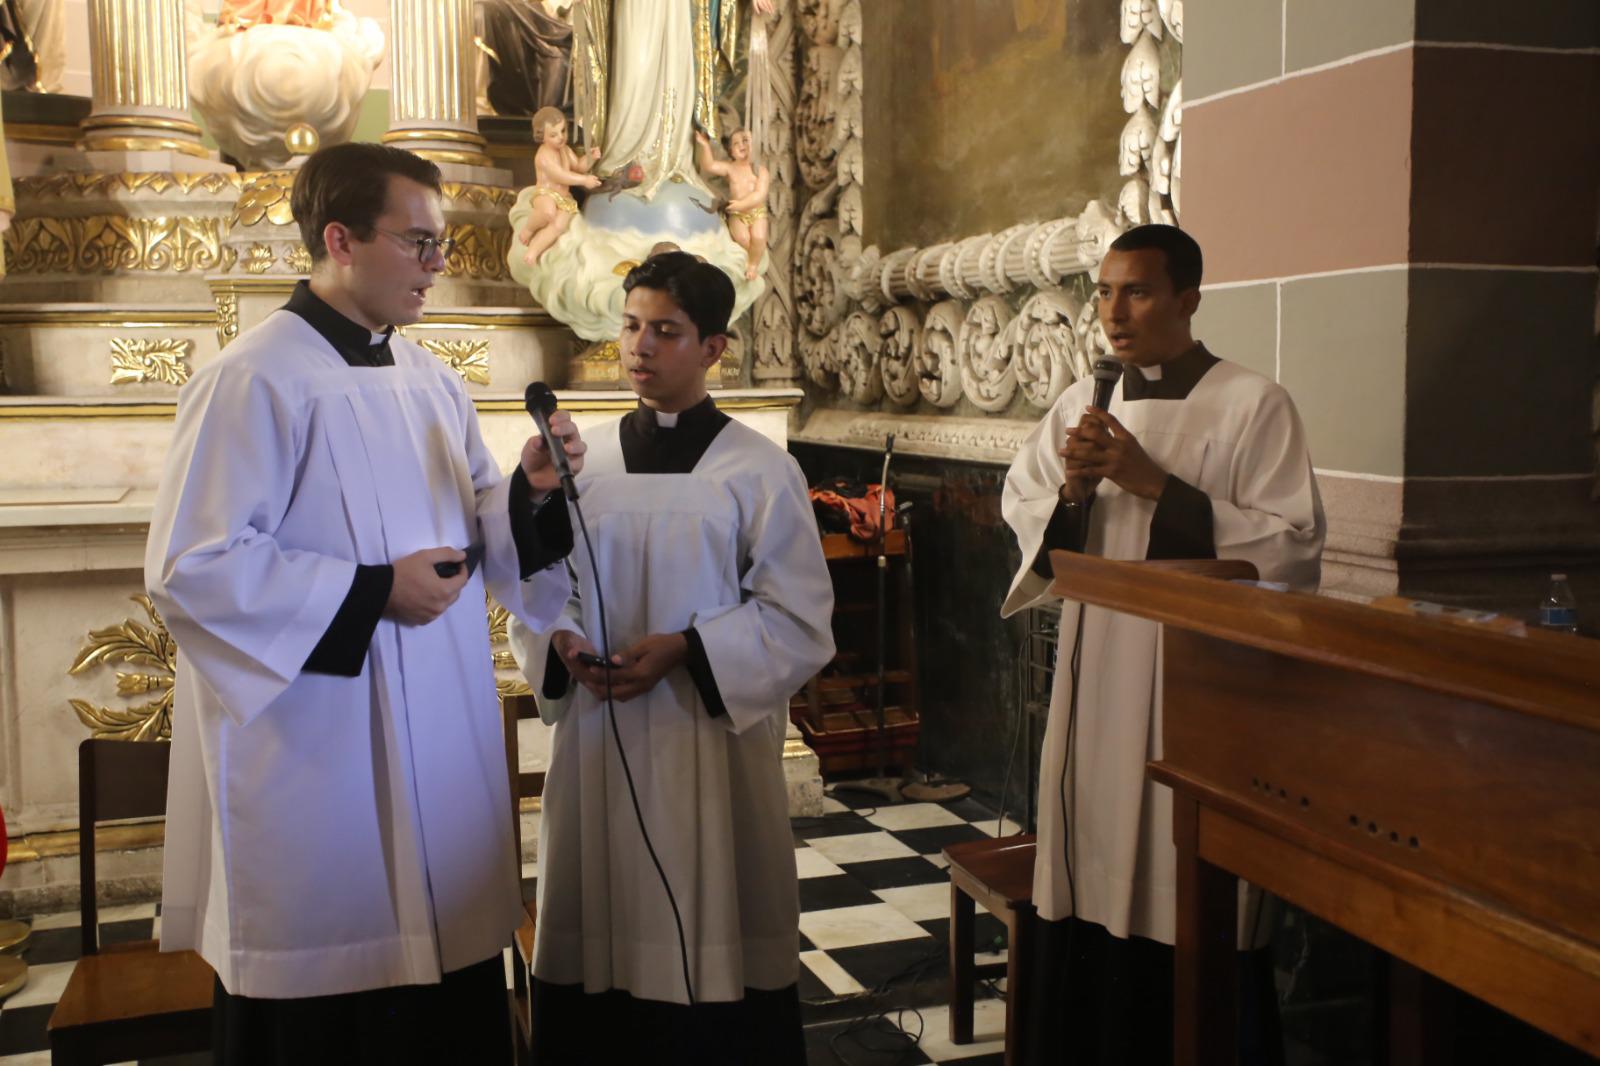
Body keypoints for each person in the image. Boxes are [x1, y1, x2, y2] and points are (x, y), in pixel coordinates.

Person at [146, 142, 585, 1066]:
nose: (437, 266)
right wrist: (374, 593)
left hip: (442, 733)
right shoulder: (253, 379)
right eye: (417, 243)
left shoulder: (431, 380)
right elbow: (192, 567)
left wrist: (531, 490)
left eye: (441, 245)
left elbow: (480, 532)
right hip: (321, 756)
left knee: (451, 992)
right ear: (340, 239)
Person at [1000, 224, 1325, 1065]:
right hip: (1096, 666)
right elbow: (1028, 508)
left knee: (1184, 887)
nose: (1114, 311)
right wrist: (1071, 496)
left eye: (1137, 292)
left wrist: (1151, 481)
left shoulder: (1254, 403)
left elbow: (1289, 550)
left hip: (1196, 681)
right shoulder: (1081, 400)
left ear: (1187, 300)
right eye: (1104, 292)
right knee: (1091, 865)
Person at [508, 252, 834, 1064]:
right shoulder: (585, 465)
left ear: (714, 348)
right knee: (598, 933)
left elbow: (800, 619)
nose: (640, 347)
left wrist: (687, 650)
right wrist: (563, 642)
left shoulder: (760, 471)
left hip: (706, 748)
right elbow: (545, 585)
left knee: (709, 928)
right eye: (630, 326)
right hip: (599, 742)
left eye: (666, 331)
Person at [517, 106, 603, 265]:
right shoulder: (543, 156)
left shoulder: (565, 150)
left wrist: (590, 157)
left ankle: (534, 250)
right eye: (553, 135)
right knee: (548, 212)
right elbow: (560, 176)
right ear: (541, 136)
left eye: (563, 131)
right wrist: (584, 180)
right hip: (546, 193)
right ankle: (528, 229)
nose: (561, 137)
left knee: (558, 226)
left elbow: (578, 166)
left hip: (565, 199)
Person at [693, 127, 770, 279]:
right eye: (736, 143)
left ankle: (753, 265)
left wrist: (741, 204)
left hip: (757, 212)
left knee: (759, 237)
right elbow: (709, 166)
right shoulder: (730, 168)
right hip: (736, 214)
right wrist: (705, 145)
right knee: (743, 239)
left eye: (745, 141)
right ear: (731, 151)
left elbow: (759, 194)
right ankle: (748, 260)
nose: (741, 145)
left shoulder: (760, 170)